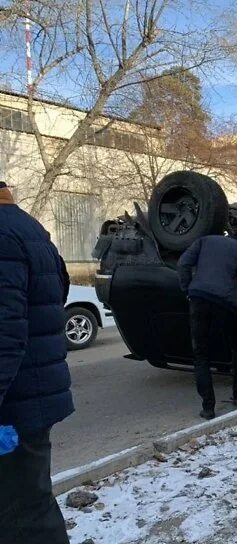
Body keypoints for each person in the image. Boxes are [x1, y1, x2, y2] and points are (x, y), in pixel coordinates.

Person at [0, 181, 74, 544]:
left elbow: (4, 333)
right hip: (29, 399)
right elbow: (58, 291)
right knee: (29, 505)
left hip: (11, 409)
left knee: (19, 515)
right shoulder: (28, 227)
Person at [177, 232, 237, 420]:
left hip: (199, 299)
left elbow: (183, 264)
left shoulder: (205, 240)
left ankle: (208, 408)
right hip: (227, 305)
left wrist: (187, 289)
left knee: (201, 355)